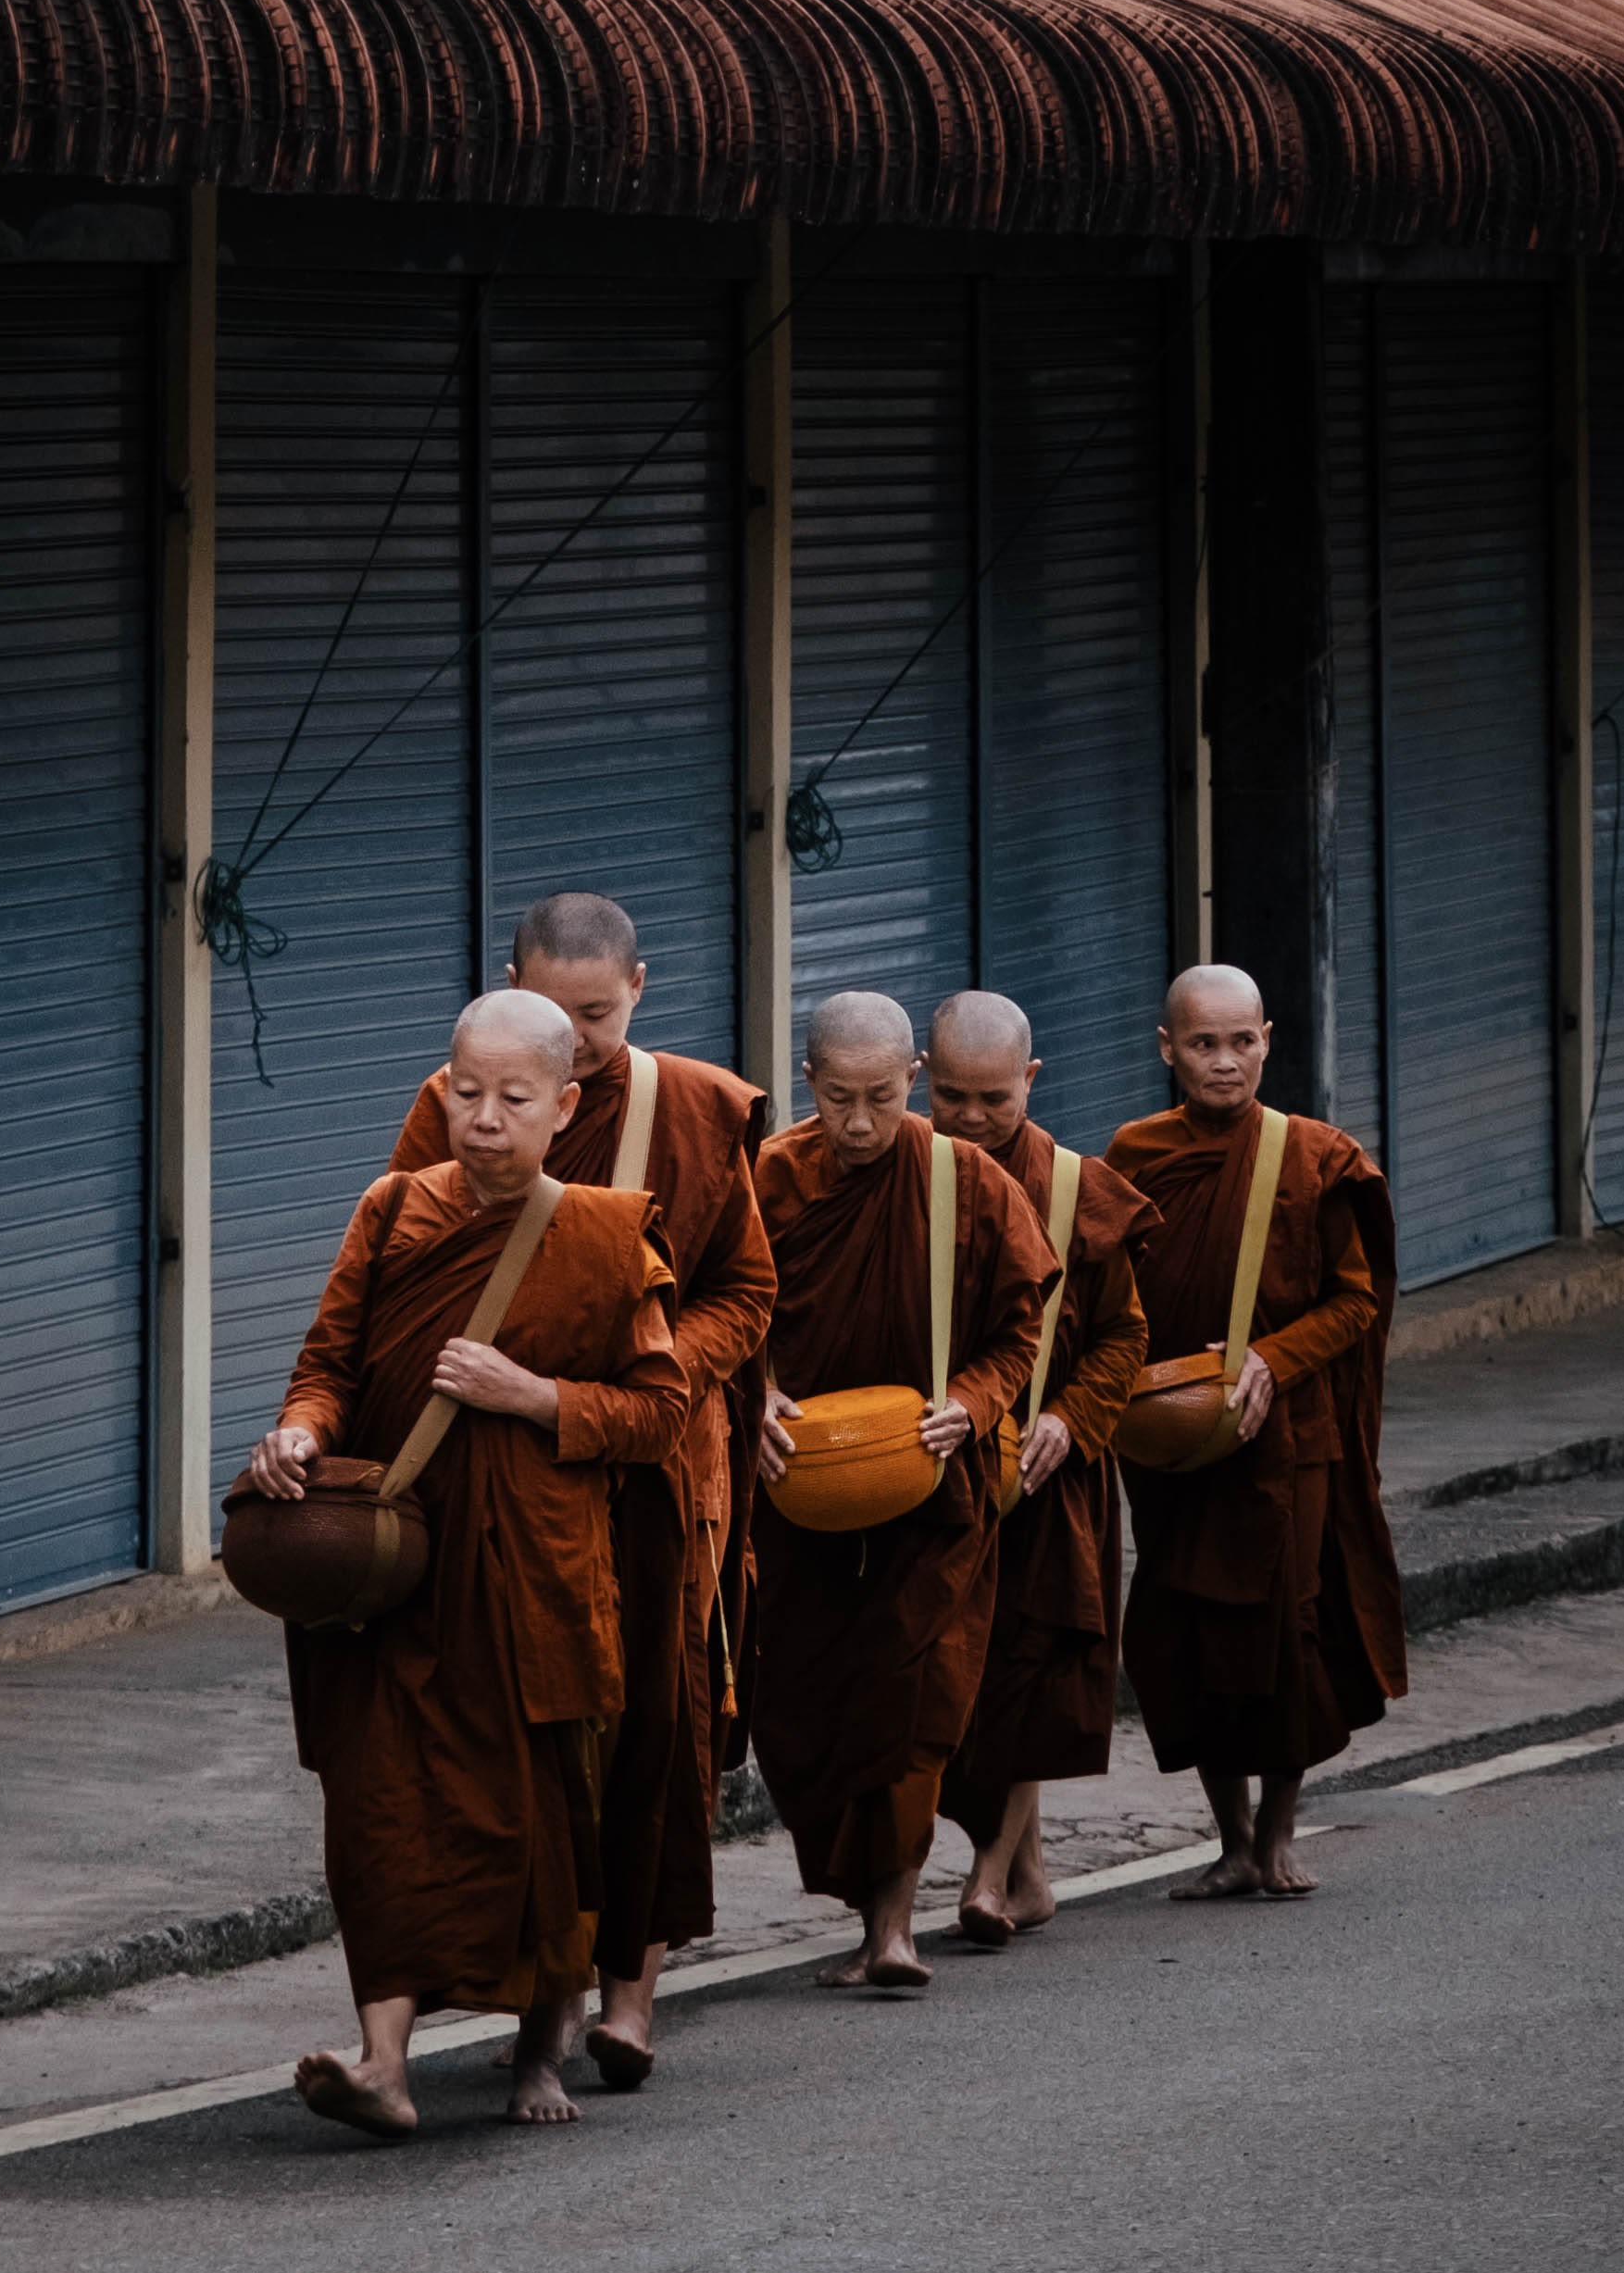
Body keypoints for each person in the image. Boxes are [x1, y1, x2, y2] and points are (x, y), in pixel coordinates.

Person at [244, 990, 687, 2137]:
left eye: (513, 1099)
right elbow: (327, 1364)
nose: (484, 1119)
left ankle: (537, 2051)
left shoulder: (603, 1234)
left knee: (537, 1821)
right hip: (392, 1573)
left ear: (565, 1106)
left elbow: (658, 1414)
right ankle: (383, 2062)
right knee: (382, 1814)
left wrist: (531, 1396)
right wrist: (299, 1432)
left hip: (534, 1580)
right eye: (466, 1094)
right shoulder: (392, 1211)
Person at [388, 893, 773, 2090]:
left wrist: (651, 1369)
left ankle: (629, 1998)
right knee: (522, 1738)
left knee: (654, 1731)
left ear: (639, 991)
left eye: (594, 1017)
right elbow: (403, 1259)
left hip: (651, 1469)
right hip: (500, 1477)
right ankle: (517, 2000)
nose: (568, 1042)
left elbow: (744, 1294)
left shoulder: (702, 1111)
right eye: (546, 1010)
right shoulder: (456, 1105)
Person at [753, 991, 1057, 1992]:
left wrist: (970, 1404)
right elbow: (722, 1312)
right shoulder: (770, 1178)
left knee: (911, 1698)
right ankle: (857, 1907)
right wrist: (749, 1399)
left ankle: (894, 1928)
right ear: (808, 1083)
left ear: (911, 1083)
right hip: (800, 1494)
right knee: (808, 1707)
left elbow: (1020, 1329)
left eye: (880, 1098)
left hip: (932, 1494)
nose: (857, 1123)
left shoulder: (963, 1179)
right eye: (838, 1098)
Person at [1105, 964, 1404, 1900]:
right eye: (1203, 1043)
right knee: (1187, 1630)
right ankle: (1227, 1840)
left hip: (1288, 1435)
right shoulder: (1134, 1153)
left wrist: (1275, 1357)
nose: (1224, 1063)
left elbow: (1355, 1298)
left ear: (1268, 1039)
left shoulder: (1316, 1156)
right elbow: (1106, 1292)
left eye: (1241, 1042)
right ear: (1167, 1049)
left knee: (1288, 1629)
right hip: (1170, 1438)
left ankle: (1277, 1834)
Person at [923, 991, 1156, 1944]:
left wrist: (1071, 1417)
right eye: (950, 1098)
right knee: (951, 1680)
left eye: (993, 1099)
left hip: (1047, 1474)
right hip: (937, 1468)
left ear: (1031, 1080)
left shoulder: (1074, 1189)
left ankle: (987, 1877)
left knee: (1026, 1669)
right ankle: (1028, 1873)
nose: (971, 1121)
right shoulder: (903, 1171)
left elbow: (1121, 1336)